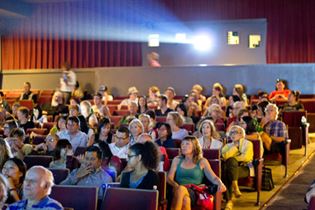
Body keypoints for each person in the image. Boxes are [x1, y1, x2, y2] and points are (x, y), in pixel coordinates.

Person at [167, 136, 226, 210]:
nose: (183, 146)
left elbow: (213, 177)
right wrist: (176, 186)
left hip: (194, 192)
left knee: (183, 192)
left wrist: (220, 183)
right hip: (176, 189)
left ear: (194, 147)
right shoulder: (177, 159)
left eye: (187, 144)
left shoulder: (202, 161)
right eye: (182, 144)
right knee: (185, 199)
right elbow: (169, 178)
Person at [221, 125, 254, 210]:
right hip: (232, 169)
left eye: (235, 132)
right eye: (231, 132)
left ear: (242, 134)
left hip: (246, 168)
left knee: (230, 164)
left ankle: (229, 200)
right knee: (227, 170)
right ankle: (233, 193)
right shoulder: (228, 145)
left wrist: (232, 158)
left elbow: (246, 158)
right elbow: (224, 156)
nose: (233, 134)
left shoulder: (248, 144)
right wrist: (234, 148)